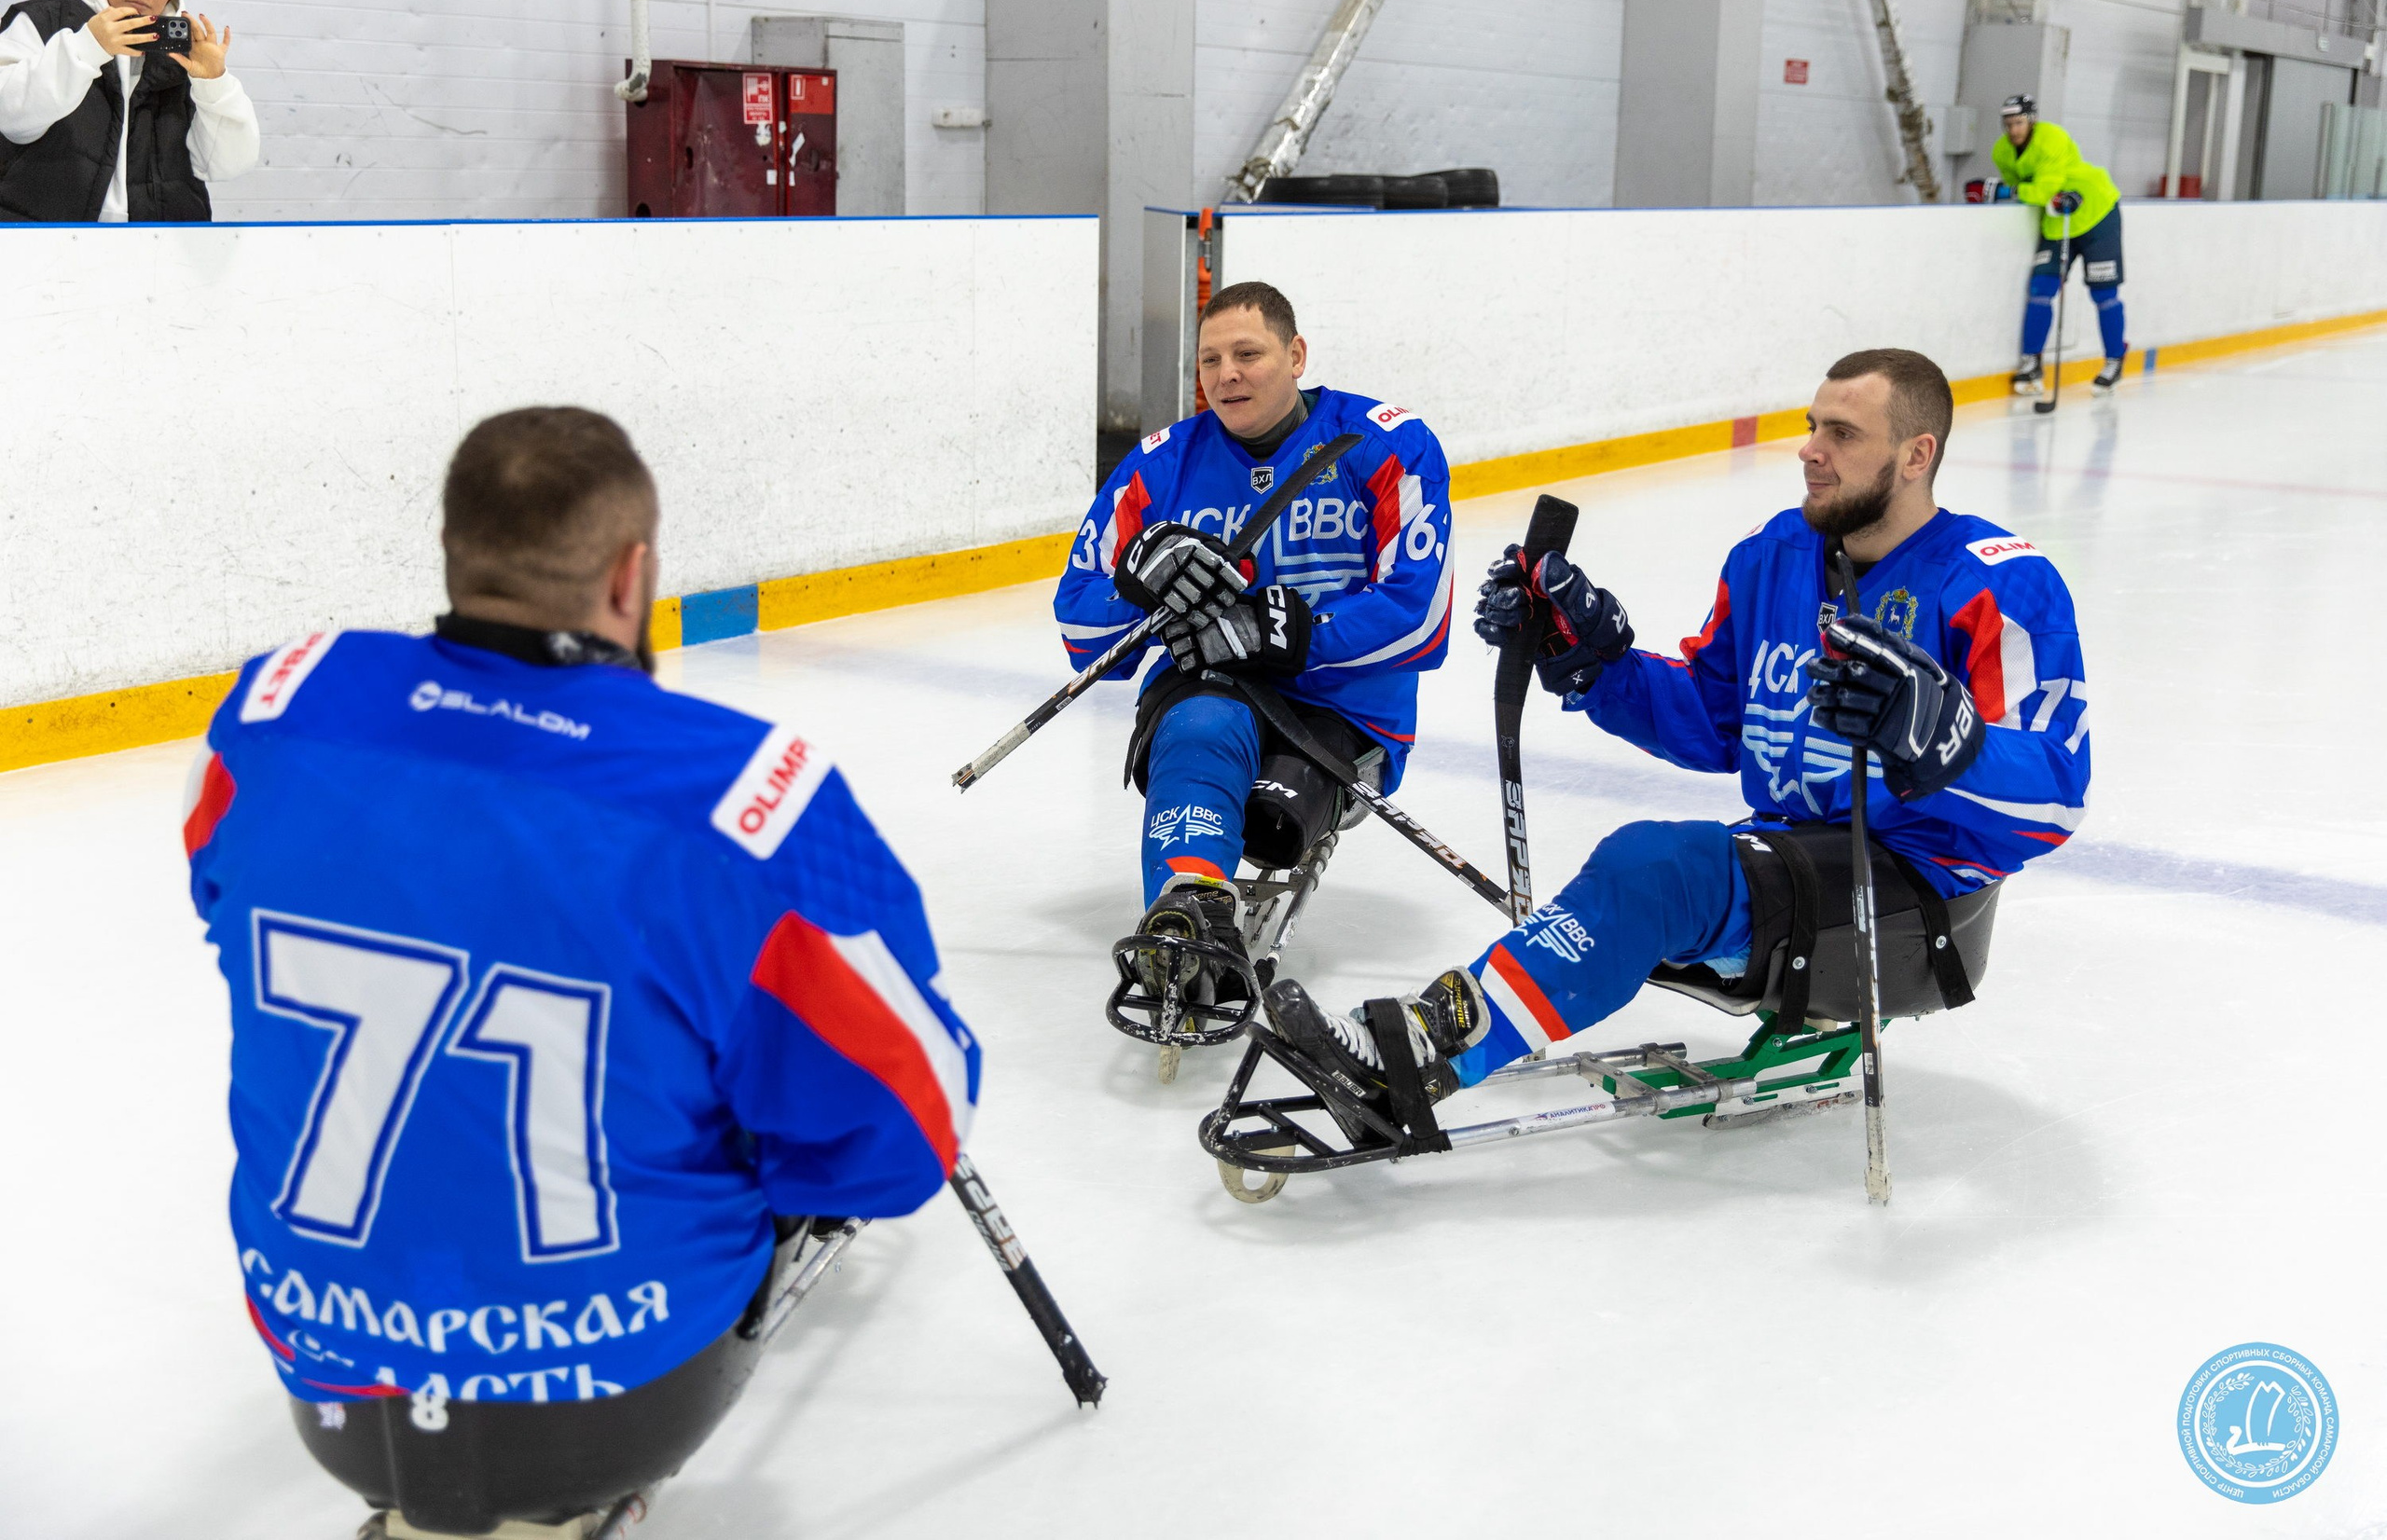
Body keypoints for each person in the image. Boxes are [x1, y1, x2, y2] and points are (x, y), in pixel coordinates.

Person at [184, 408, 978, 1538]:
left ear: (457, 554)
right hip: (613, 1396)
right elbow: (909, 1128)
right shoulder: (749, 799)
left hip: (328, 1370)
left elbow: (214, 891)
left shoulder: (274, 711)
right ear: (633, 574)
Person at [1264, 349, 2091, 1117]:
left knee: (1654, 868)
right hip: (1798, 856)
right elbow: (1714, 718)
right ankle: (1431, 1031)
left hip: (1916, 901)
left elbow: (2058, 790)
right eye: (1812, 426)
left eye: (1842, 434)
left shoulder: (1999, 582)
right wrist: (1592, 659)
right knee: (1645, 874)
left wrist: (1948, 741)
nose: (1810, 449)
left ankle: (1410, 1054)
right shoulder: (1774, 555)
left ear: (1916, 455)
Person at [1052, 279, 1456, 1017]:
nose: (1225, 374)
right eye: (1209, 360)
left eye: (1248, 353)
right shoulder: (1159, 464)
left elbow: (1421, 616)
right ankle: (1190, 911)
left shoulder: (1388, 443)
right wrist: (1139, 585)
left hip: (1340, 711)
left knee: (1275, 825)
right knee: (1200, 733)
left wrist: (1297, 633)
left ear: (1296, 354)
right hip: (1211, 689)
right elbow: (1079, 626)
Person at [0, 0, 257, 222]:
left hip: (159, 251)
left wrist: (214, 85)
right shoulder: (40, 22)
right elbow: (10, 116)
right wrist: (88, 48)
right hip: (46, 245)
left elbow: (228, 166)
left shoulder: (182, 56)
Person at [1993, 94, 2127, 397]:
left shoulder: (2051, 137)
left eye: (2019, 122)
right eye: (2009, 124)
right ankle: (2031, 362)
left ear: (2032, 120)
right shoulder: (2002, 152)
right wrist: (2008, 192)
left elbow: (2042, 190)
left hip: (2096, 213)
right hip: (2059, 222)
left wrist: (2002, 191)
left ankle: (2114, 360)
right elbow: (2029, 194)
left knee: (2104, 293)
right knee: (2041, 290)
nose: (2014, 130)